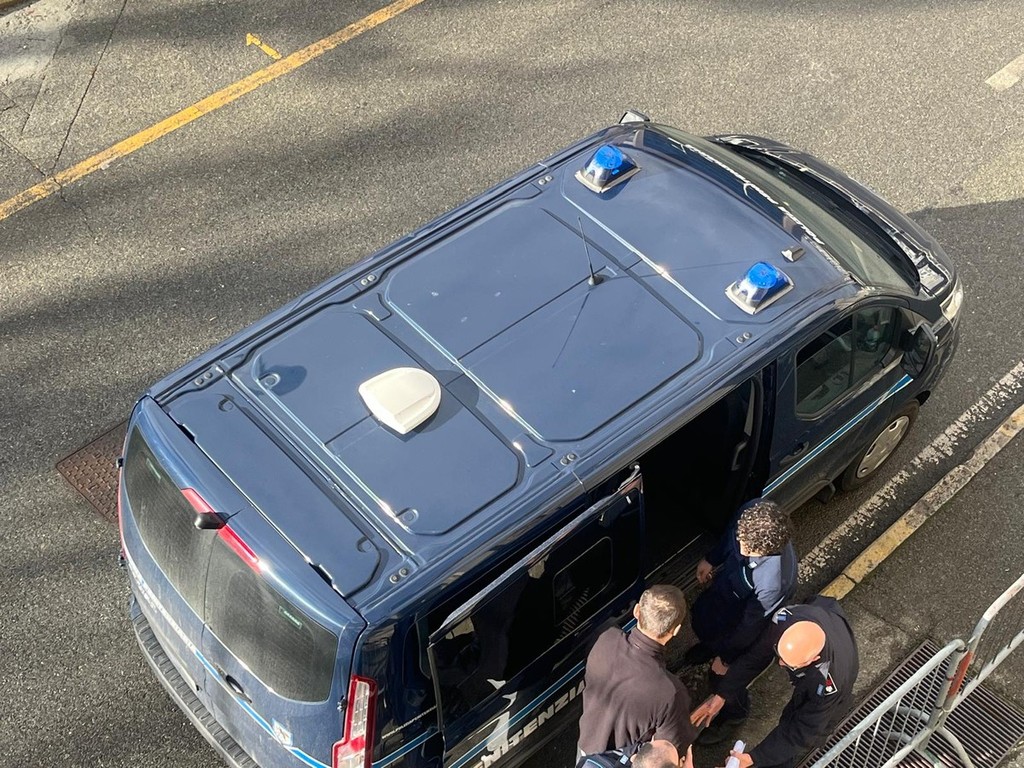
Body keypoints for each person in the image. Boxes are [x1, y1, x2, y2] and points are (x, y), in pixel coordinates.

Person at [690, 596, 859, 768]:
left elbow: (802, 730)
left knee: (803, 727)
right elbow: (755, 658)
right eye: (780, 655)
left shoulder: (829, 683)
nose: (780, 663)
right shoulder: (786, 621)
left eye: (789, 663)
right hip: (826, 617)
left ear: (813, 659)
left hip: (840, 668)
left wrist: (755, 758)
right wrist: (723, 693)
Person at [686, 499, 798, 743]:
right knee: (704, 621)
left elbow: (750, 626)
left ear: (767, 551)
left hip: (739, 621)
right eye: (741, 541)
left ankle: (735, 713)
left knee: (722, 678)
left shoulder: (773, 582)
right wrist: (712, 559)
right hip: (722, 597)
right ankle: (709, 647)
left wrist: (727, 658)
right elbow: (730, 537)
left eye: (748, 550)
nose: (741, 550)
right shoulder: (751, 515)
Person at [578, 585, 697, 768]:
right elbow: (667, 756)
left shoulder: (602, 636)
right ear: (675, 630)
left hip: (586, 754)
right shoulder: (670, 693)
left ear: (636, 611)